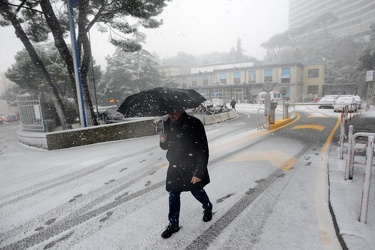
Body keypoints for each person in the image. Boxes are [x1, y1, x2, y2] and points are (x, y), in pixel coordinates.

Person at [159, 110, 213, 239]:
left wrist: (199, 172)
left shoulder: (194, 123)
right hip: (175, 165)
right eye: (169, 113)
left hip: (191, 164)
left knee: (196, 190)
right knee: (173, 194)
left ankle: (208, 206)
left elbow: (203, 148)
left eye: (174, 112)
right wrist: (163, 141)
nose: (171, 115)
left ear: (181, 110)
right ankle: (173, 224)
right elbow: (165, 147)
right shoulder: (166, 124)